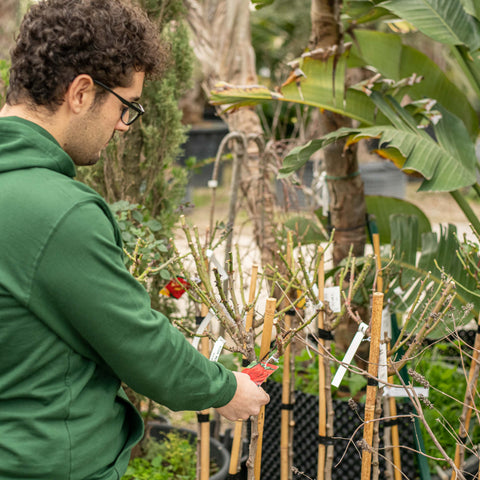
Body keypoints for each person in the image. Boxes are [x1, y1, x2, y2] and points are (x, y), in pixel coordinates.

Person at [0, 0, 269, 478]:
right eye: (125, 107)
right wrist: (226, 389)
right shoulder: (59, 212)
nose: (124, 126)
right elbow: (136, 343)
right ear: (82, 93)